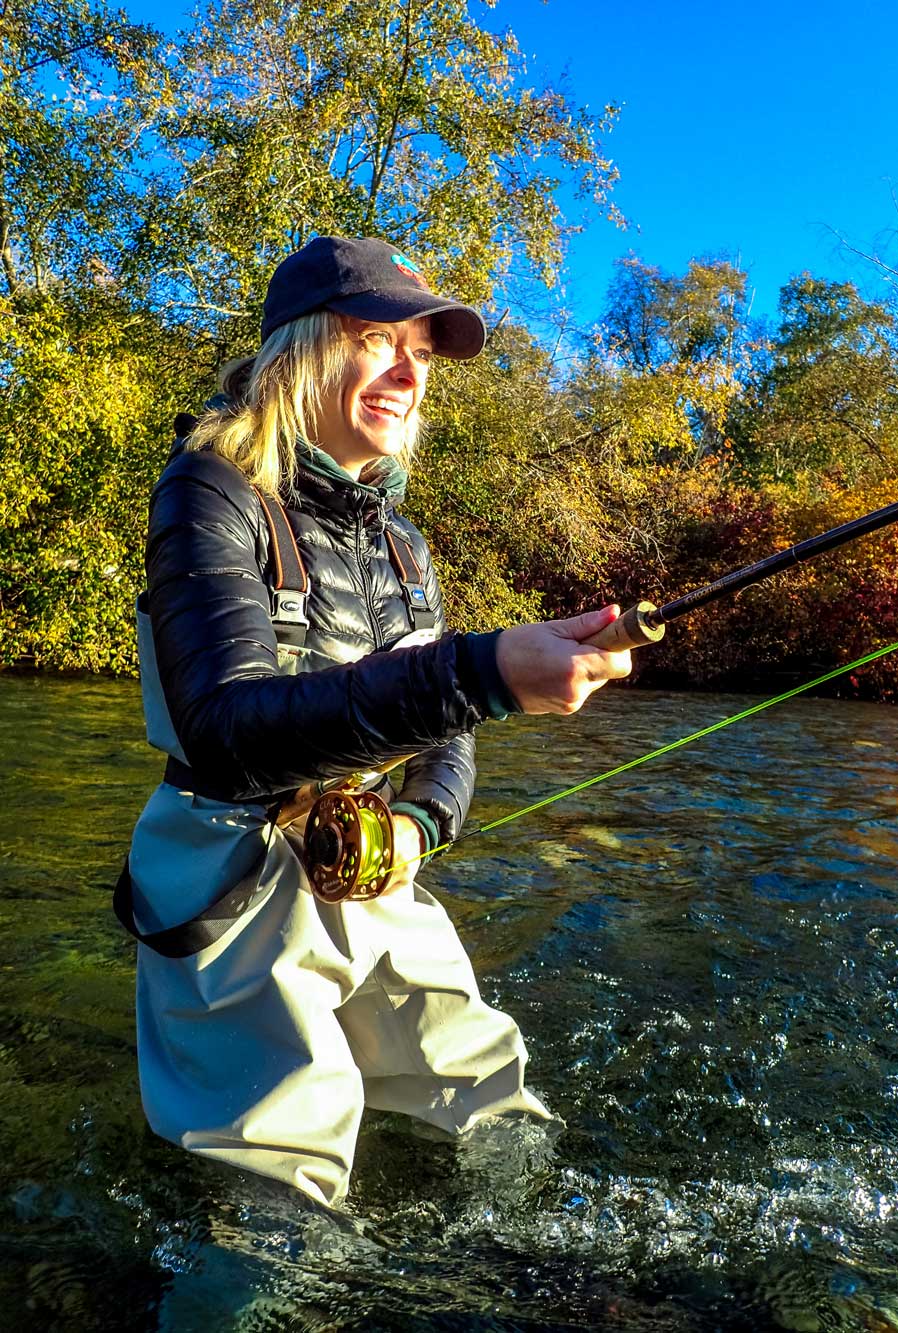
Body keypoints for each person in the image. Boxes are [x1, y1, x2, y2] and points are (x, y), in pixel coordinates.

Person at [121, 235, 632, 1210]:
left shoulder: (402, 543)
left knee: (499, 1107)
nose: (407, 370)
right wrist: (482, 668)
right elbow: (225, 726)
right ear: (300, 350)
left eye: (423, 353)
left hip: (369, 855)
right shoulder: (208, 487)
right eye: (374, 338)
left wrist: (416, 826)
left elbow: (444, 738)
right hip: (228, 864)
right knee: (278, 1191)